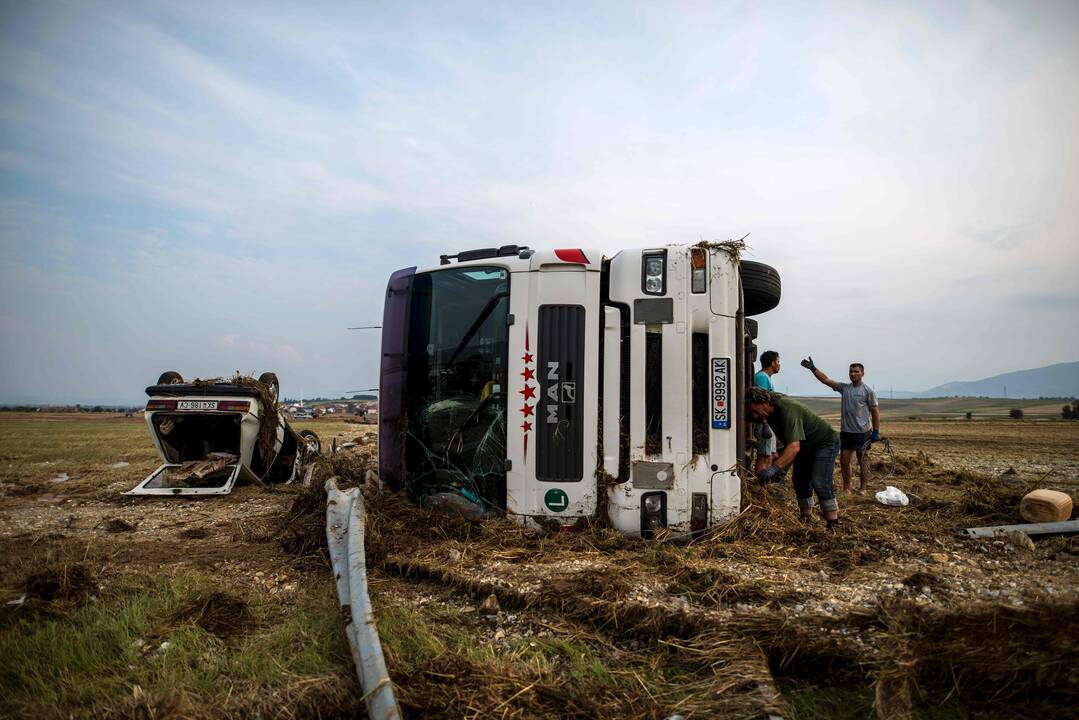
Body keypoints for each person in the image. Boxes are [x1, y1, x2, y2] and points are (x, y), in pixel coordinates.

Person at [745, 386, 841, 529]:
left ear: (763, 402)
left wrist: (773, 469)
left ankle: (833, 523)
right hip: (805, 444)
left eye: (754, 411)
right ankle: (806, 517)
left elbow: (794, 447)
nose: (755, 415)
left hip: (824, 442)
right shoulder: (768, 414)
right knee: (800, 479)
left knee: (819, 480)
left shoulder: (787, 408)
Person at [800, 357, 881, 495]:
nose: (853, 374)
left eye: (856, 371)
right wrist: (813, 369)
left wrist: (876, 431)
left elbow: (875, 412)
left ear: (862, 373)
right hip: (846, 432)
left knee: (863, 461)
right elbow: (826, 380)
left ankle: (863, 488)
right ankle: (847, 488)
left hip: (863, 433)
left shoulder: (868, 391)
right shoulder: (844, 388)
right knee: (844, 461)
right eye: (851, 371)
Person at [752, 351, 781, 473]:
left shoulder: (765, 377)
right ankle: (761, 484)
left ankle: (765, 483)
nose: (779, 364)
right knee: (764, 456)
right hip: (763, 423)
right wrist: (764, 423)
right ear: (772, 363)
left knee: (772, 455)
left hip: (766, 423)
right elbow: (761, 402)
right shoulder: (762, 377)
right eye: (778, 361)